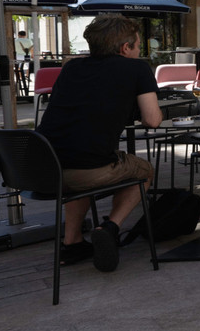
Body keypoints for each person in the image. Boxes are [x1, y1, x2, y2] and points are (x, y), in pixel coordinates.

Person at [36, 15, 162, 272]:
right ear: (125, 48)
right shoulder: (137, 69)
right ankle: (110, 227)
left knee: (81, 156)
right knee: (143, 170)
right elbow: (152, 120)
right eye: (138, 46)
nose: (139, 52)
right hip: (86, 171)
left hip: (41, 170)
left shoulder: (71, 67)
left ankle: (72, 243)